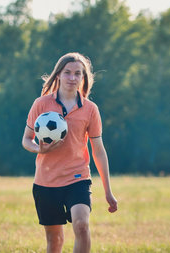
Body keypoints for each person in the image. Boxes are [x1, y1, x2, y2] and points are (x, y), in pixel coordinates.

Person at [22, 52, 118, 253]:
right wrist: (39, 148)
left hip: (78, 178)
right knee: (54, 242)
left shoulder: (90, 109)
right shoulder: (41, 104)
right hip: (46, 182)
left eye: (77, 74)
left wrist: (108, 191)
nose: (72, 78)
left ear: (83, 78)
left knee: (81, 225)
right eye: (67, 73)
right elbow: (26, 140)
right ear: (58, 75)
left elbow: (98, 151)